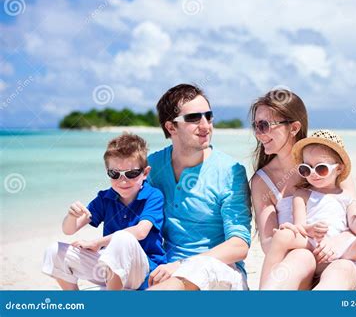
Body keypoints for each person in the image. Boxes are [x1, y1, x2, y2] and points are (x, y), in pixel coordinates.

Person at [250, 88, 356, 290]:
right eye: (256, 126)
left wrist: (336, 243)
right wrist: (299, 237)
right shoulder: (262, 181)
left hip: (338, 260)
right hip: (294, 271)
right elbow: (269, 244)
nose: (259, 134)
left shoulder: (330, 165)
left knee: (342, 268)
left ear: (293, 128)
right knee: (301, 257)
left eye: (264, 125)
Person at [146, 83, 252, 290]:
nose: (205, 125)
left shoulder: (231, 171)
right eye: (193, 118)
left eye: (208, 116)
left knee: (200, 267)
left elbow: (239, 245)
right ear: (171, 127)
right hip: (165, 269)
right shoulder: (154, 166)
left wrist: (183, 265)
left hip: (220, 272)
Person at [260, 129, 356, 289]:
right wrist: (308, 229)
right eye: (306, 169)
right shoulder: (302, 194)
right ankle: (264, 290)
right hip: (311, 247)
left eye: (321, 168)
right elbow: (300, 226)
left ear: (339, 169)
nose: (313, 174)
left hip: (340, 252)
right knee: (282, 236)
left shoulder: (346, 197)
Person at [42, 133, 166, 290]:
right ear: (108, 171)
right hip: (110, 271)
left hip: (144, 272)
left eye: (131, 174)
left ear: (145, 173)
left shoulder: (153, 196)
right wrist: (71, 216)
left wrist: (97, 243)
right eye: (115, 174)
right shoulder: (105, 198)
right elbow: (69, 230)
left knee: (123, 237)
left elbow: (140, 231)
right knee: (55, 251)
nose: (123, 181)